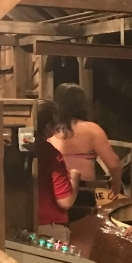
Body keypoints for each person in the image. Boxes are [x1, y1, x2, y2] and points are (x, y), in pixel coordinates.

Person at [48, 83, 122, 220]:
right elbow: (114, 164)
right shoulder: (92, 130)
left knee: (55, 238)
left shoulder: (49, 130)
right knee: (83, 240)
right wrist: (116, 182)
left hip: (53, 194)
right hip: (82, 194)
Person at [36, 101, 81, 243]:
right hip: (49, 228)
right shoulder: (52, 154)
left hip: (19, 224)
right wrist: (74, 178)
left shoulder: (15, 148)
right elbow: (65, 201)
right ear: (48, 126)